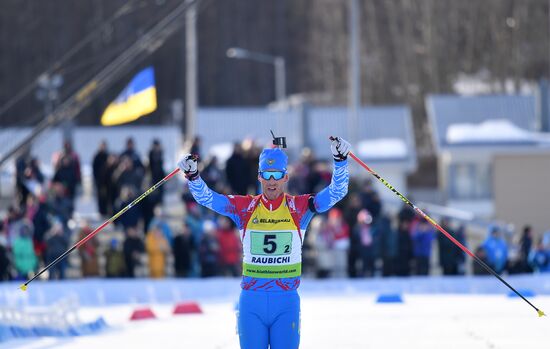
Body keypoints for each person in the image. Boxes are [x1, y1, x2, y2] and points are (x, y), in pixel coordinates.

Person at [178, 136, 350, 349]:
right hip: (252, 302)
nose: (271, 181)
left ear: (285, 176)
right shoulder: (244, 207)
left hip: (285, 302)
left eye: (276, 174)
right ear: (259, 177)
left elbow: (337, 192)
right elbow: (208, 198)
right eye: (266, 175)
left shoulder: (300, 207)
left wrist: (340, 161)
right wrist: (193, 176)